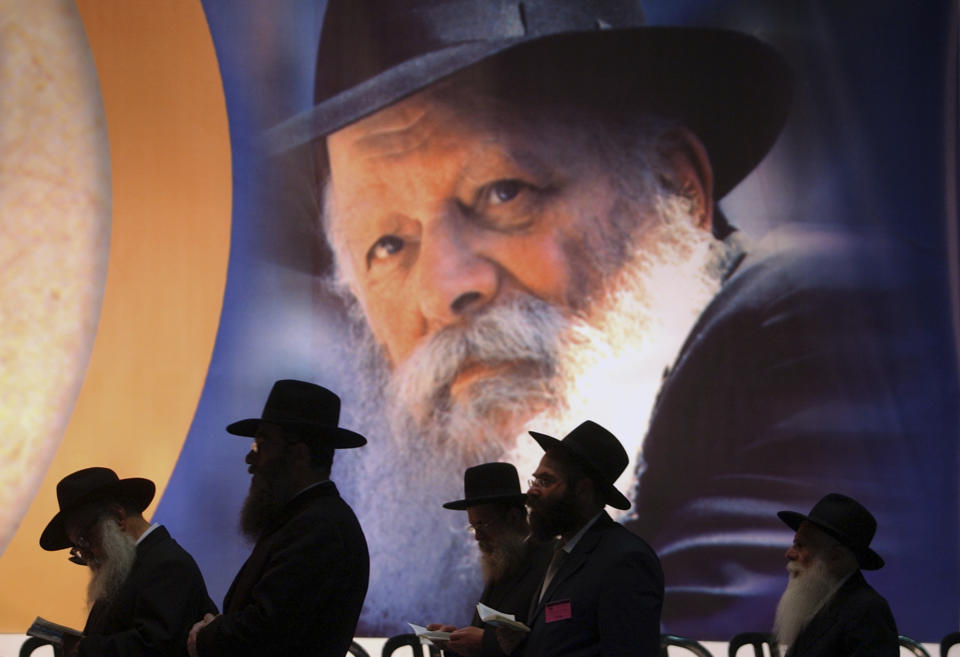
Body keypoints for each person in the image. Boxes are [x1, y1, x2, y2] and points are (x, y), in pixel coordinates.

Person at [257, 0, 956, 636]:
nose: (444, 290)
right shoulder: (547, 536)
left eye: (504, 191)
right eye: (387, 244)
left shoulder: (816, 322)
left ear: (678, 195)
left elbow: (707, 616)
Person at [187, 379, 369, 657]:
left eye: (262, 443)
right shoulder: (305, 518)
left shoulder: (318, 528)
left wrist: (206, 637)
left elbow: (266, 631)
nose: (250, 458)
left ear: (298, 454)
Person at [519, 420, 663, 657]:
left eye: (545, 481)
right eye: (534, 480)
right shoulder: (561, 552)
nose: (532, 491)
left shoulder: (625, 560)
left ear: (582, 490)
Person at [39, 467, 216, 657]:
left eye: (84, 540)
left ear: (117, 518)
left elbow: (157, 646)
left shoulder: (167, 565)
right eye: (77, 548)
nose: (86, 555)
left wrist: (83, 649)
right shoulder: (127, 568)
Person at [428, 462, 553, 657]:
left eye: (482, 524)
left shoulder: (550, 562)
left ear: (513, 517)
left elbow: (551, 642)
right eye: (473, 528)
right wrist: (454, 642)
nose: (477, 536)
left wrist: (484, 642)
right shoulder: (503, 560)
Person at [772, 493, 898, 657]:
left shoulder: (868, 611)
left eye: (800, 545)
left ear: (835, 557)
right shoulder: (815, 601)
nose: (789, 553)